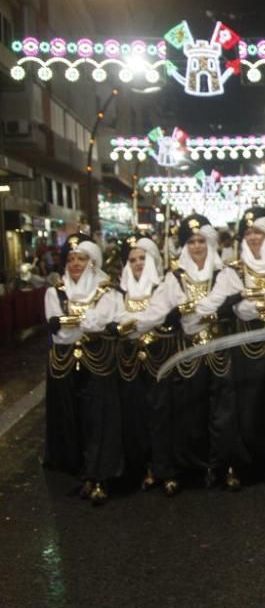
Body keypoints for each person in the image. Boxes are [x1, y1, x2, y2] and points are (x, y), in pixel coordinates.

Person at [195, 207, 265, 489]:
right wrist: (191, 308)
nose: (254, 237)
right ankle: (262, 460)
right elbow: (213, 301)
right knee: (252, 405)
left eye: (259, 232)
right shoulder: (233, 271)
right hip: (248, 346)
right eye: (249, 232)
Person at [132, 214, 225, 494]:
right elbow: (156, 312)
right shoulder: (174, 279)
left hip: (222, 352)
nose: (197, 246)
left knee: (223, 412)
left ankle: (223, 466)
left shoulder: (224, 273)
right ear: (185, 246)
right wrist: (128, 323)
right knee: (194, 412)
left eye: (201, 241)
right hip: (190, 355)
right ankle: (198, 466)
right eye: (191, 241)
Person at [44, 234, 125, 505]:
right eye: (70, 259)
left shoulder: (107, 290)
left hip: (99, 363)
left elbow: (101, 323)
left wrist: (73, 322)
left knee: (99, 417)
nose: (75, 263)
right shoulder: (55, 291)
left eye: (81, 258)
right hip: (67, 366)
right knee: (73, 418)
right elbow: (60, 335)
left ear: (91, 262)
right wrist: (86, 323)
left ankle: (101, 473)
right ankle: (82, 473)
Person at [115, 233, 173, 493]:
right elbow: (117, 319)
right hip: (131, 362)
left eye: (142, 258)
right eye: (133, 259)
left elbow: (158, 316)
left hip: (159, 358)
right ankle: (147, 467)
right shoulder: (119, 292)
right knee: (138, 415)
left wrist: (132, 323)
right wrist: (134, 323)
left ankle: (168, 469)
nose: (138, 263)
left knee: (164, 414)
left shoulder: (162, 287)